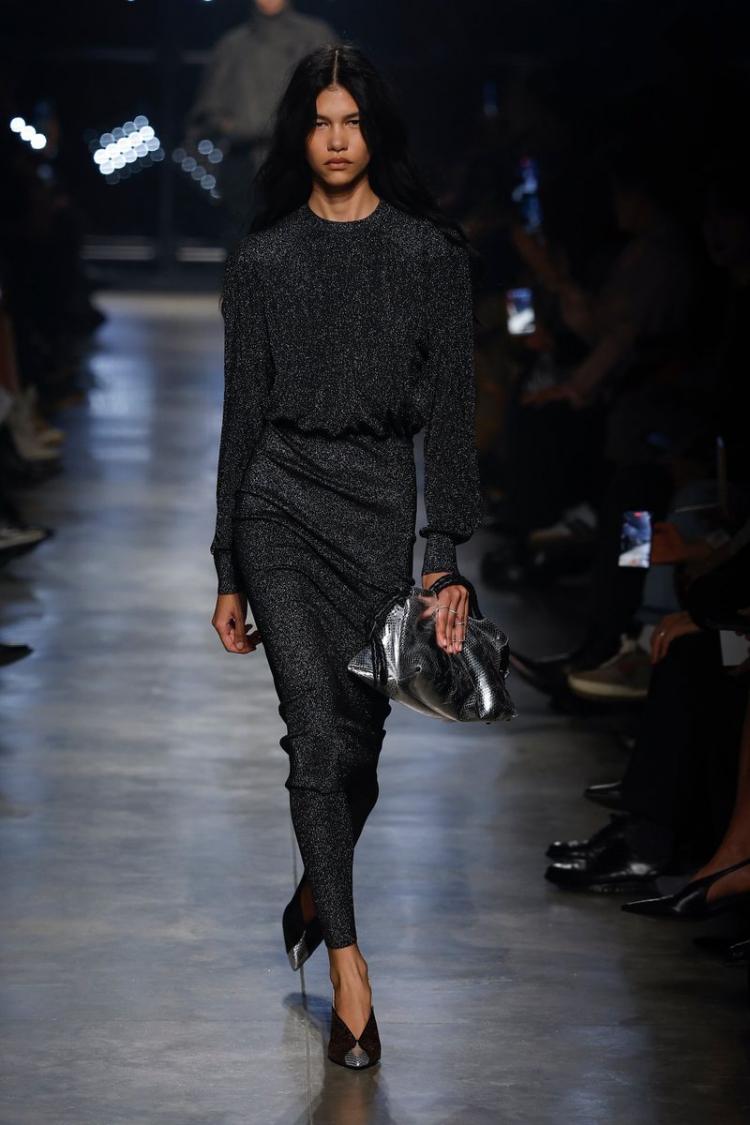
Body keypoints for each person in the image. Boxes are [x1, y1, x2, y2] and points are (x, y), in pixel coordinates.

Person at [209, 44, 483, 1069]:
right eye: (321, 122)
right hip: (279, 505)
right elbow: (240, 420)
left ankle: (318, 887)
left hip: (377, 509)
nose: (335, 140)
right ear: (301, 133)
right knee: (316, 743)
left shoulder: (428, 257)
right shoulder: (264, 261)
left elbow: (450, 418)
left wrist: (441, 556)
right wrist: (227, 565)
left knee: (357, 756)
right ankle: (350, 972)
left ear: (375, 134)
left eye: (352, 122)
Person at [185, 0, 338, 240]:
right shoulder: (232, 45)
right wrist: (231, 128)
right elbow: (206, 114)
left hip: (302, 164)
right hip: (244, 169)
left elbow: (340, 96)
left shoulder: (315, 36)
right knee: (246, 245)